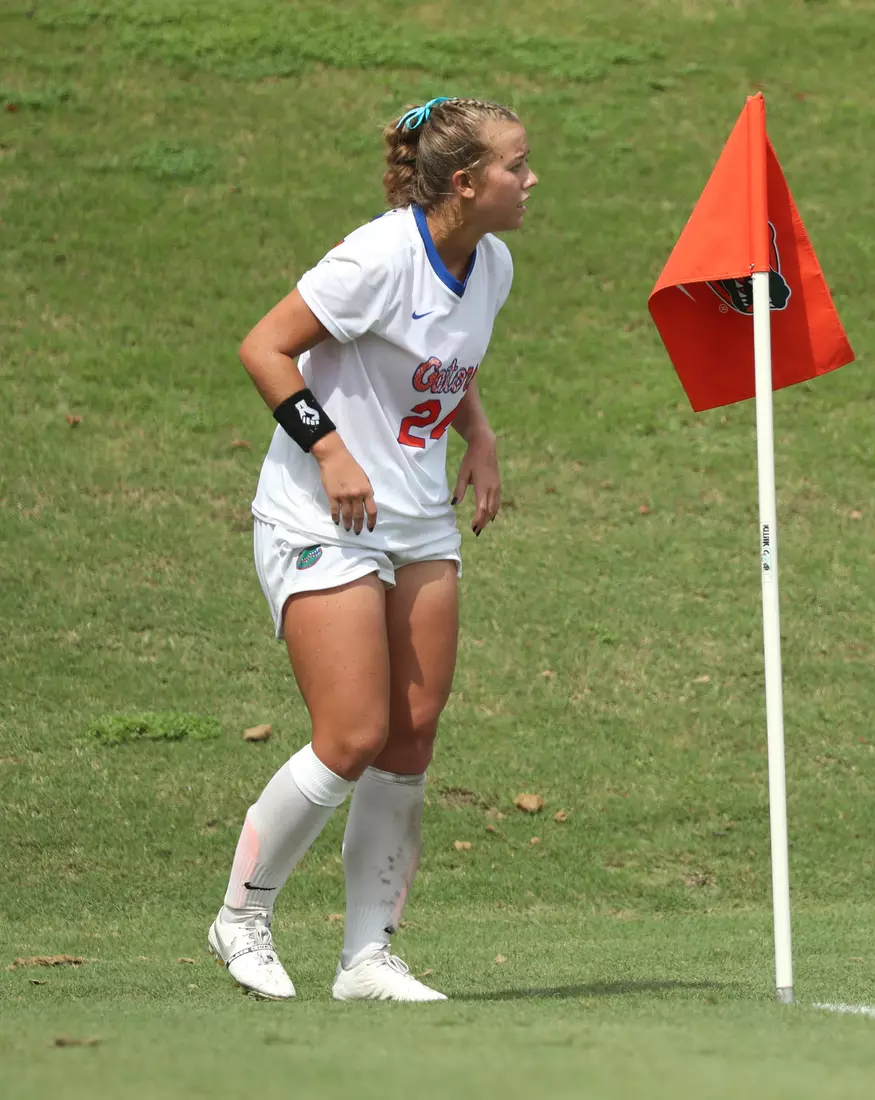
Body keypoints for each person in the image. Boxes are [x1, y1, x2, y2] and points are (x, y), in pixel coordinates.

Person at [210, 96, 536, 1001]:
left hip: (418, 514)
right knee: (353, 734)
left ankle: (366, 958)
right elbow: (264, 348)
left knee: (411, 732)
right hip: (322, 514)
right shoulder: (377, 256)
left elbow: (447, 359)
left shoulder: (493, 262)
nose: (531, 179)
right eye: (516, 165)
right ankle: (241, 918)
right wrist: (329, 451)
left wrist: (479, 432)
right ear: (464, 182)